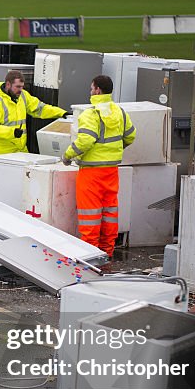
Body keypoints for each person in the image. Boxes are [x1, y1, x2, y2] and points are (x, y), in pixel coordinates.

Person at [63, 75, 136, 259]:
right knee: (109, 211)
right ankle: (107, 253)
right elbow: (131, 136)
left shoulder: (90, 114)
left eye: (91, 89)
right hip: (111, 171)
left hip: (91, 172)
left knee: (91, 215)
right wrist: (113, 151)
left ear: (97, 90)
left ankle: (91, 257)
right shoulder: (119, 111)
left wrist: (68, 155)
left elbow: (85, 140)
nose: (90, 92)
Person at [0, 69, 66, 158]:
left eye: (22, 87)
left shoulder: (23, 96)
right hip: (0, 153)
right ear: (8, 84)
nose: (20, 90)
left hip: (20, 150)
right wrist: (12, 132)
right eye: (17, 87)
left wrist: (62, 113)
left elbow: (40, 109)